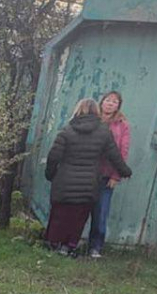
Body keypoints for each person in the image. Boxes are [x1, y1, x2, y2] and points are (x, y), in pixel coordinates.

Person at [45, 98, 131, 256]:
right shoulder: (104, 132)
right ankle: (69, 246)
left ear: (78, 110)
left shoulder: (67, 130)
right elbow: (115, 156)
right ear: (97, 111)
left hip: (64, 182)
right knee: (79, 216)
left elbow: (53, 156)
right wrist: (125, 171)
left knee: (60, 213)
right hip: (88, 184)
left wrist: (50, 175)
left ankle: (52, 243)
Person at [87, 90, 131, 258]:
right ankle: (71, 243)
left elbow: (122, 152)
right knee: (81, 209)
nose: (110, 103)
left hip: (107, 176)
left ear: (118, 106)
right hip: (88, 172)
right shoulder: (92, 119)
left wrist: (115, 176)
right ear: (102, 102)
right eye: (108, 100)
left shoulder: (122, 125)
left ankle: (95, 247)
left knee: (101, 212)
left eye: (115, 102)